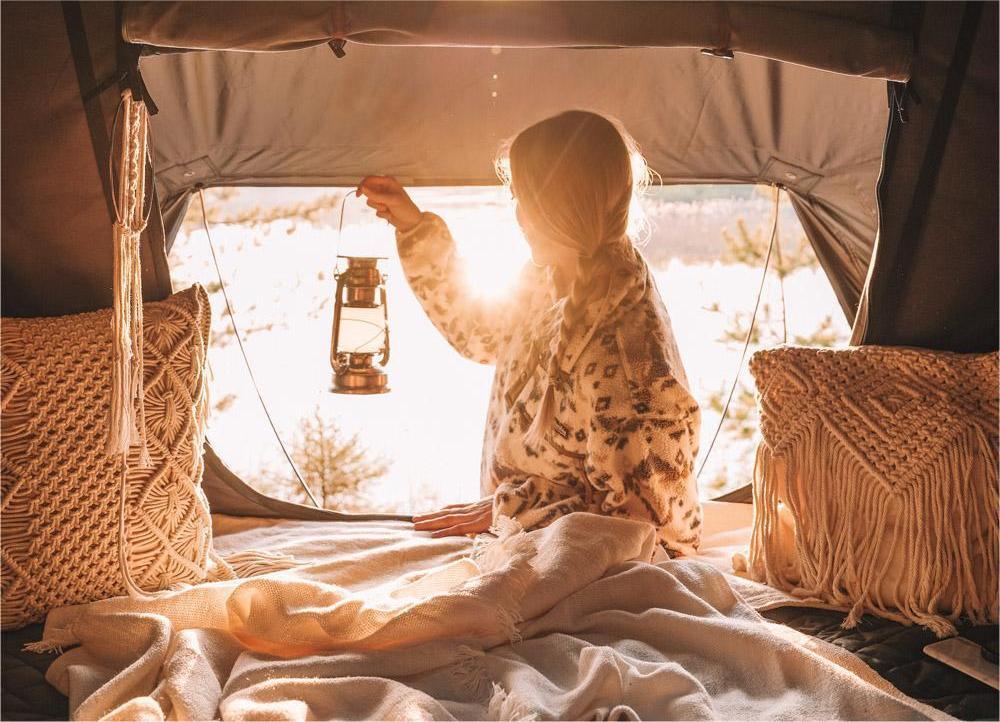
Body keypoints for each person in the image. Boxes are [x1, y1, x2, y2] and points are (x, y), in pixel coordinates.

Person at [357, 110, 702, 556]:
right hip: (524, 546)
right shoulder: (554, 273)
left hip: (572, 571)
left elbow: (646, 532)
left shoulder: (628, 355)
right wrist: (413, 227)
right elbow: (479, 333)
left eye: (523, 197)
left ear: (558, 206)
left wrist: (511, 507)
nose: (517, 214)